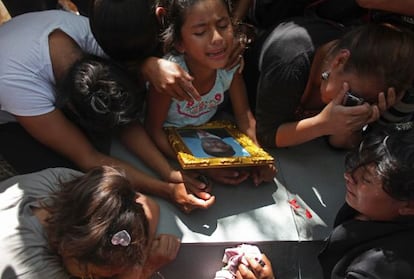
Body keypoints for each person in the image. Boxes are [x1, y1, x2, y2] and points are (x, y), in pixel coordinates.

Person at [0, 10, 215, 213]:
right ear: (70, 109)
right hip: (11, 113)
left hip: (26, 50)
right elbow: (87, 156)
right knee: (68, 175)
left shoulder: (93, 36)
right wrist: (165, 189)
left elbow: (123, 121)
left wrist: (170, 172)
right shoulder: (18, 87)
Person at [238, 127, 414, 279]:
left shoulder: (376, 270)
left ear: (408, 206)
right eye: (356, 166)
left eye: (366, 180)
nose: (348, 176)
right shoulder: (374, 210)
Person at [144, 0, 276, 186]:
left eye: (223, 26)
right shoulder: (171, 79)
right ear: (180, 43)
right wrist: (203, 165)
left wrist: (259, 157)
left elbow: (244, 116)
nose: (217, 39)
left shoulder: (229, 67)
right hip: (172, 142)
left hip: (206, 134)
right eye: (200, 32)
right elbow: (154, 130)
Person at [251, 20, 414, 149]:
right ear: (340, 60)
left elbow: (338, 144)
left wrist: (358, 121)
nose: (352, 105)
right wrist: (321, 125)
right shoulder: (290, 63)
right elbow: (266, 134)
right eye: (352, 97)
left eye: (365, 102)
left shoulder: (359, 85)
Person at [0, 166, 181, 278]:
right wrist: (145, 268)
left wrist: (134, 262)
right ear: (67, 250)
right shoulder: (35, 270)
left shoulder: (70, 187)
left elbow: (148, 204)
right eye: (94, 276)